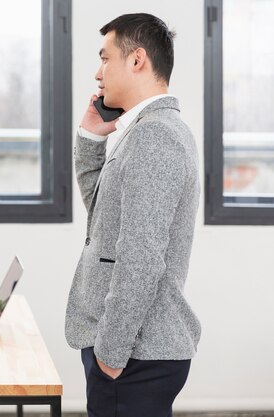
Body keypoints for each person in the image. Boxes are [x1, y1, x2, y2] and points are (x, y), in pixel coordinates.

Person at [64, 13, 201, 417]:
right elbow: (102, 217)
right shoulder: (145, 131)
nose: (97, 72)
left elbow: (140, 258)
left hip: (133, 354)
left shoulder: (155, 136)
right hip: (130, 350)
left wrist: (110, 354)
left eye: (105, 58)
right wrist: (91, 136)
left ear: (137, 60)